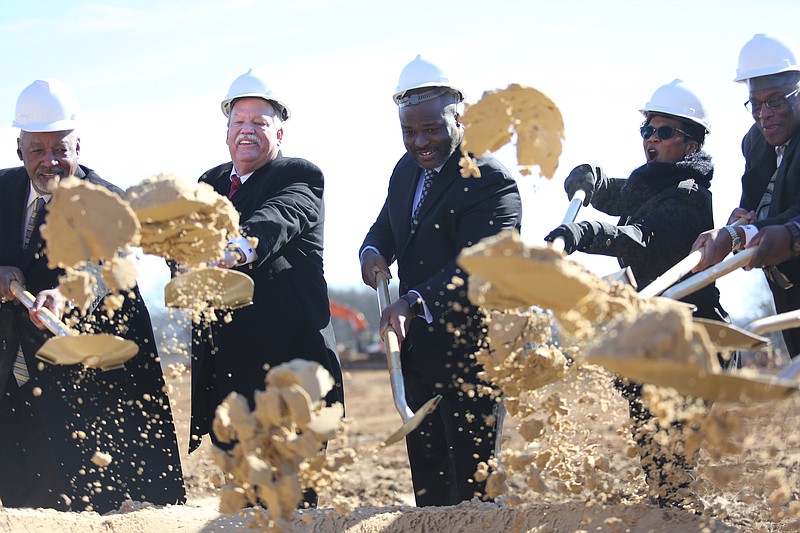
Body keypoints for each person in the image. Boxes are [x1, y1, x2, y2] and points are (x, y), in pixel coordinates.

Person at [545, 79, 733, 508]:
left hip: (691, 338)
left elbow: (638, 237)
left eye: (664, 132)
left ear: (689, 144)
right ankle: (670, 510)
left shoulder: (688, 195)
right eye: (647, 130)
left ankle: (681, 513)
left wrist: (585, 231)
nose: (651, 139)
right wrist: (590, 182)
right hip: (649, 335)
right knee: (651, 446)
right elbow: (621, 193)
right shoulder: (652, 183)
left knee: (674, 454)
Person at [0, 79, 185, 513]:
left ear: (77, 147)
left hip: (81, 392)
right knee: (20, 496)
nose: (50, 161)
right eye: (38, 150)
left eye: (59, 150)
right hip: (13, 380)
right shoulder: (1, 192)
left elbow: (105, 264)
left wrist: (66, 293)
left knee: (88, 497)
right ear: (20, 150)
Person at [359, 55, 522, 507]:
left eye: (431, 129)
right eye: (409, 132)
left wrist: (411, 301)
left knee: (471, 488)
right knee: (430, 489)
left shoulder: (490, 180)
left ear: (460, 116)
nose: (421, 142)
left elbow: (479, 266)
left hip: (472, 356)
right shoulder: (405, 170)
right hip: (419, 356)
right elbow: (387, 228)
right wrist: (371, 253)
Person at [188, 69, 343, 508]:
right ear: (226, 131)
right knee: (242, 502)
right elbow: (185, 241)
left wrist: (233, 248)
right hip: (229, 379)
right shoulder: (210, 183)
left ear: (280, 130)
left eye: (259, 122)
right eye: (238, 121)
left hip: (290, 378)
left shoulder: (299, 174)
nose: (247, 131)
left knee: (287, 503)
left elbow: (281, 216)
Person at [691, 33, 800, 358]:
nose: (764, 113)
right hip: (787, 284)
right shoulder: (755, 143)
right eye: (755, 104)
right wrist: (734, 227)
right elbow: (750, 213)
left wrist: (750, 234)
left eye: (776, 101)